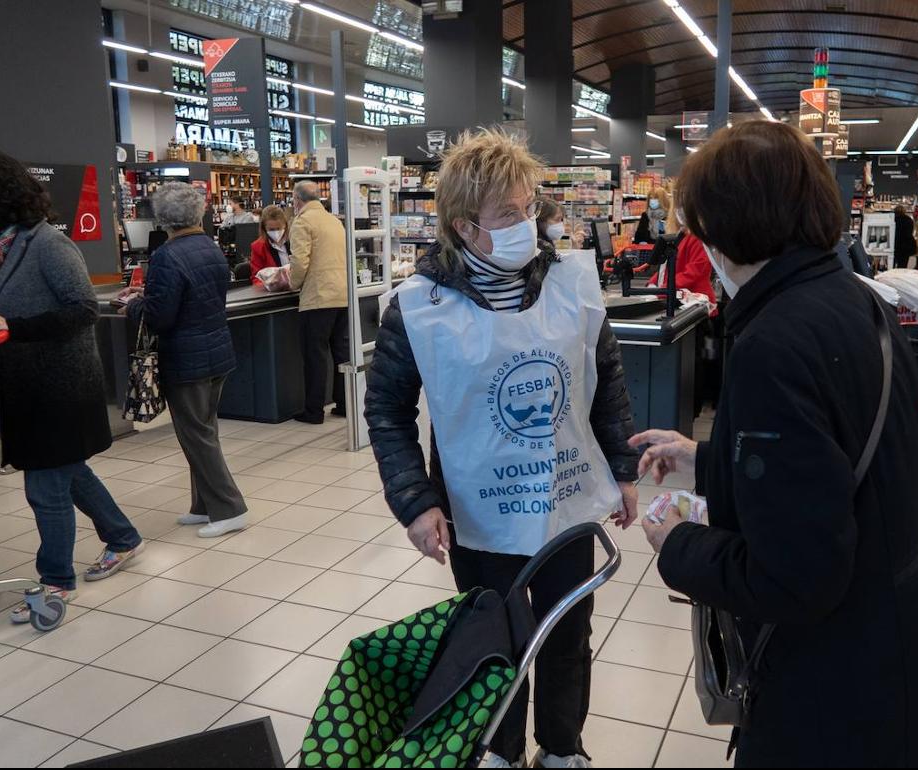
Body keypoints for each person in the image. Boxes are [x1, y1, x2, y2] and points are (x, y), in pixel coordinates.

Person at [628, 121, 918, 767]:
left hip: (834, 690)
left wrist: (679, 545)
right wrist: (710, 459)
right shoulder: (855, 300)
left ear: (731, 223)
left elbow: (796, 578)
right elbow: (835, 465)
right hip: (900, 643)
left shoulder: (773, 343)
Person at [364, 128, 640, 769]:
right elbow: (387, 410)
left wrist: (622, 468)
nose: (529, 223)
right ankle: (500, 750)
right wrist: (414, 502)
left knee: (568, 632)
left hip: (566, 502)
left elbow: (606, 385)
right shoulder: (418, 309)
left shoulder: (570, 285)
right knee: (497, 638)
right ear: (466, 227)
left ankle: (563, 749)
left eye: (530, 206)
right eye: (510, 214)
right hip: (479, 510)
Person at [0, 150, 143, 622]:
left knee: (45, 487)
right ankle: (124, 537)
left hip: (62, 385)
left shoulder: (48, 244)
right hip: (22, 385)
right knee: (69, 473)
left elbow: (82, 309)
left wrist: (14, 327)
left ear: (0, 196)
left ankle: (54, 581)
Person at [122, 183, 247, 539]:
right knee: (205, 431)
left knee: (196, 435)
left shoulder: (167, 256)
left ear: (162, 219)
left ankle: (230, 508)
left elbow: (161, 316)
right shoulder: (210, 247)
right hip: (217, 350)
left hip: (186, 357)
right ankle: (203, 504)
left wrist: (133, 305)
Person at [288, 180, 349, 423]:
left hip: (318, 296)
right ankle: (344, 403)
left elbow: (300, 262)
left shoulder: (303, 222)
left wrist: (292, 283)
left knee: (315, 355)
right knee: (340, 353)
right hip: (342, 294)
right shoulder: (334, 221)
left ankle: (313, 411)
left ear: (296, 199)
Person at [250, 204, 291, 288]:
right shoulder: (258, 247)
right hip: (273, 294)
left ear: (285, 226)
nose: (276, 232)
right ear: (264, 228)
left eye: (279, 228)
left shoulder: (295, 241)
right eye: (271, 229)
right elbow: (256, 278)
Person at [892, 203, 916, 269]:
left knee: (892, 263)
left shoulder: (893, 220)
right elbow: (910, 233)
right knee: (903, 265)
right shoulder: (909, 220)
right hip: (906, 247)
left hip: (895, 245)